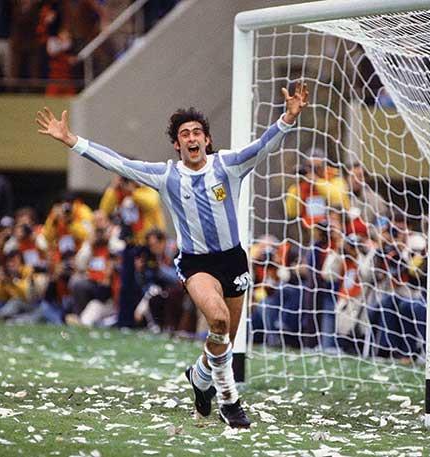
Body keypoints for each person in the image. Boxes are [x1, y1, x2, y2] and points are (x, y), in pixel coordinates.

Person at [35, 82, 308, 428]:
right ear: (177, 144)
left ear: (207, 140)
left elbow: (263, 146)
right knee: (219, 323)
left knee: (220, 340)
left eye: (197, 132)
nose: (192, 138)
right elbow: (116, 162)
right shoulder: (166, 176)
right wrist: (73, 140)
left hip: (234, 261)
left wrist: (287, 118)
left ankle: (199, 376)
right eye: (184, 134)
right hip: (197, 265)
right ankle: (229, 402)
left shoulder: (228, 166)